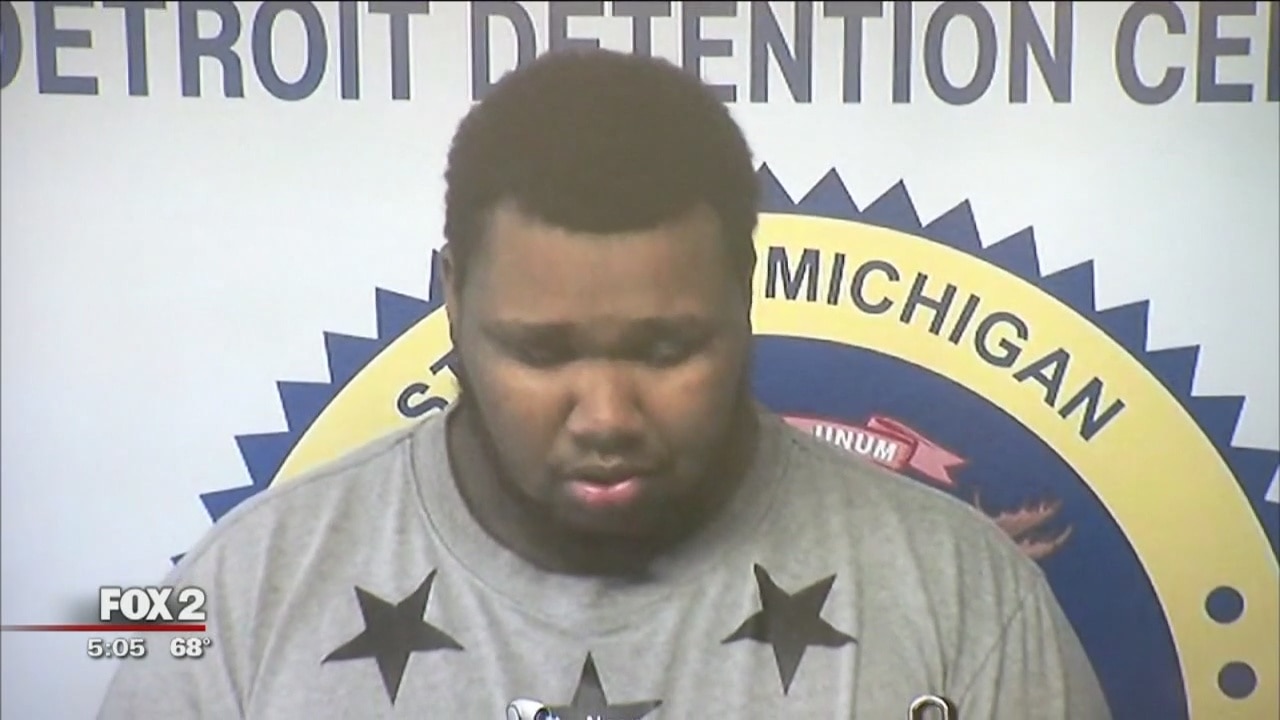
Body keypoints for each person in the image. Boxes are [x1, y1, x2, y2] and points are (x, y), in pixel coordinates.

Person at [98, 48, 1111, 719]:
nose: (607, 417)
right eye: (540, 354)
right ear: (453, 302)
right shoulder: (239, 605)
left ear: (745, 295)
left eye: (667, 351)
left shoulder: (964, 601)